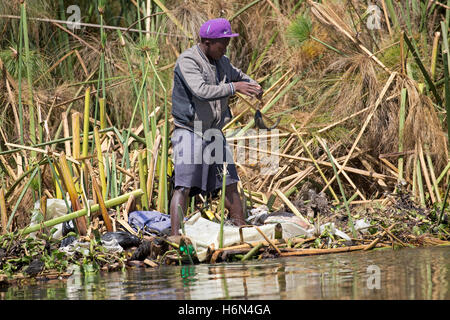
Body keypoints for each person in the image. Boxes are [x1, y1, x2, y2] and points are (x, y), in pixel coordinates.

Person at [170, 18, 263, 236]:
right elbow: (201, 90)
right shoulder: (188, 61)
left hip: (213, 132)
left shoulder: (222, 61)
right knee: (183, 186)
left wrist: (254, 86)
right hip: (189, 130)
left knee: (229, 183)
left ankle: (241, 231)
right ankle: (175, 237)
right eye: (223, 44)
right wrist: (234, 87)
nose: (226, 48)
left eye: (227, 44)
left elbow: (238, 76)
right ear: (207, 42)